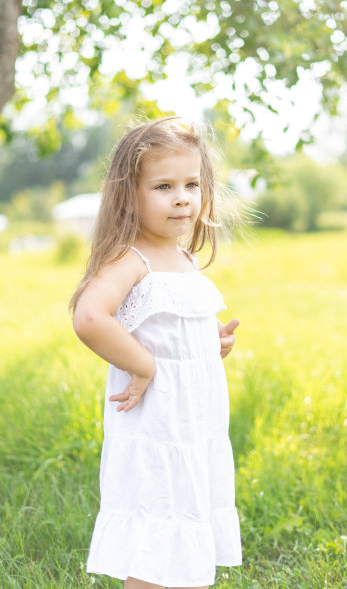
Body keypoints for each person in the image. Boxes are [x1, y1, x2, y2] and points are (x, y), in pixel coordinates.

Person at [70, 116, 243, 589]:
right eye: (164, 186)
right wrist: (142, 365)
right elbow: (90, 318)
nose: (182, 197)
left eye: (191, 184)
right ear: (130, 195)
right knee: (156, 529)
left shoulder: (184, 259)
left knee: (186, 525)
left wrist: (212, 343)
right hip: (157, 429)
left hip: (193, 425)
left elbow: (169, 326)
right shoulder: (131, 258)